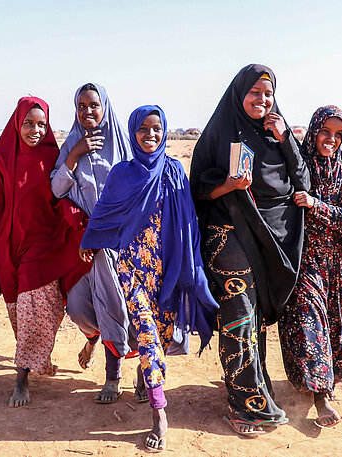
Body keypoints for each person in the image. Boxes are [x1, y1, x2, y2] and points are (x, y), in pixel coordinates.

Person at [81, 105, 218, 452]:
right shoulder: (121, 173)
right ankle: (159, 412)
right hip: (132, 269)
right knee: (146, 335)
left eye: (157, 129)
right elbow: (105, 212)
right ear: (132, 132)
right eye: (143, 129)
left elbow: (188, 220)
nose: (151, 135)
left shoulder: (173, 170)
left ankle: (145, 379)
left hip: (167, 271)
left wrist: (190, 268)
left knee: (161, 335)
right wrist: (90, 240)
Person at [189, 64, 309, 435]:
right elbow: (198, 186)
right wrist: (228, 186)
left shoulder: (278, 133)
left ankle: (257, 388)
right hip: (229, 237)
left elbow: (303, 181)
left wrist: (286, 138)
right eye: (255, 92)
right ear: (239, 94)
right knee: (240, 318)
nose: (262, 100)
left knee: (254, 321)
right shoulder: (220, 132)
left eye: (268, 93)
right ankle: (247, 406)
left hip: (271, 240)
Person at [0, 96, 91, 407]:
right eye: (29, 123)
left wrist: (79, 225)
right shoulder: (2, 156)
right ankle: (38, 360)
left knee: (38, 310)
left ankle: (21, 378)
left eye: (41, 124)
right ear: (17, 123)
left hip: (46, 244)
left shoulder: (53, 155)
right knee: (21, 312)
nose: (35, 130)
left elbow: (62, 195)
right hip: (11, 244)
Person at [50, 83, 143, 404]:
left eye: (93, 105)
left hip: (120, 245)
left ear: (104, 107)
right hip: (82, 246)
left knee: (123, 308)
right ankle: (93, 339)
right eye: (81, 106)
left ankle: (122, 375)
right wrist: (74, 155)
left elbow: (138, 193)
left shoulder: (123, 146)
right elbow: (57, 190)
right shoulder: (71, 144)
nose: (87, 112)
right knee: (78, 308)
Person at [279, 105, 342, 427]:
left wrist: (318, 206)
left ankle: (321, 383)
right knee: (308, 321)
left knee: (330, 324)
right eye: (325, 132)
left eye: (337, 134)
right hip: (302, 259)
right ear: (314, 130)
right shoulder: (297, 165)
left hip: (335, 261)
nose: (330, 139)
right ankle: (322, 398)